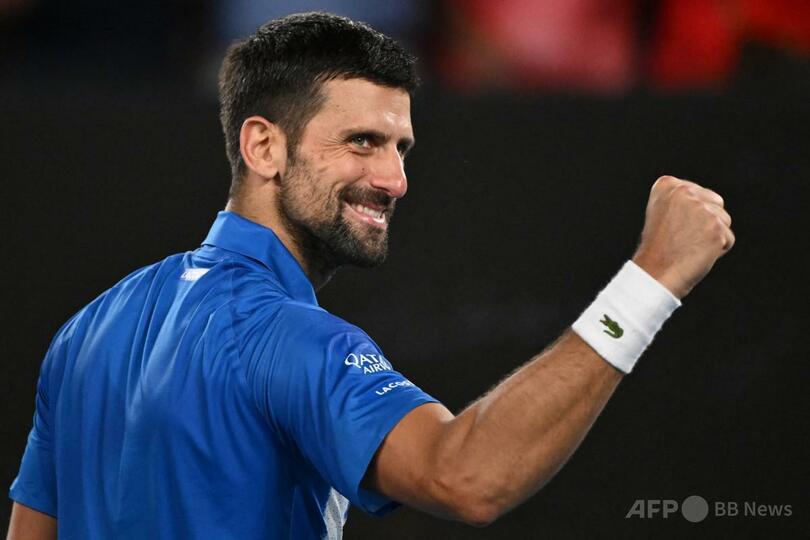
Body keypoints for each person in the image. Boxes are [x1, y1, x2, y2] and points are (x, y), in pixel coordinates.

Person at [6, 12, 735, 540]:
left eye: (400, 148)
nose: (394, 179)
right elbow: (467, 476)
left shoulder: (86, 331)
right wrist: (650, 281)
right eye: (361, 142)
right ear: (262, 147)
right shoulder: (287, 338)